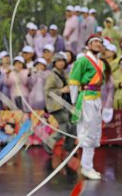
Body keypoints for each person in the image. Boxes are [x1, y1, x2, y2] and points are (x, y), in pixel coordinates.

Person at [69, 34, 105, 180]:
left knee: (95, 132)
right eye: (95, 42)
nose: (98, 44)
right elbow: (73, 81)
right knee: (88, 132)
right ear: (89, 45)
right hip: (86, 99)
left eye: (100, 42)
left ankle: (87, 166)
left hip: (97, 98)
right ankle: (86, 167)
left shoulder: (100, 62)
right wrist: (73, 102)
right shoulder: (82, 60)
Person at [44, 53, 76, 154]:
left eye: (62, 61)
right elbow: (47, 91)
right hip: (56, 105)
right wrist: (61, 91)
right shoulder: (52, 75)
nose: (61, 63)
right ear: (54, 63)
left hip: (66, 103)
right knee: (65, 126)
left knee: (73, 126)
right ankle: (49, 142)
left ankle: (68, 147)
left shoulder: (64, 74)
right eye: (58, 61)